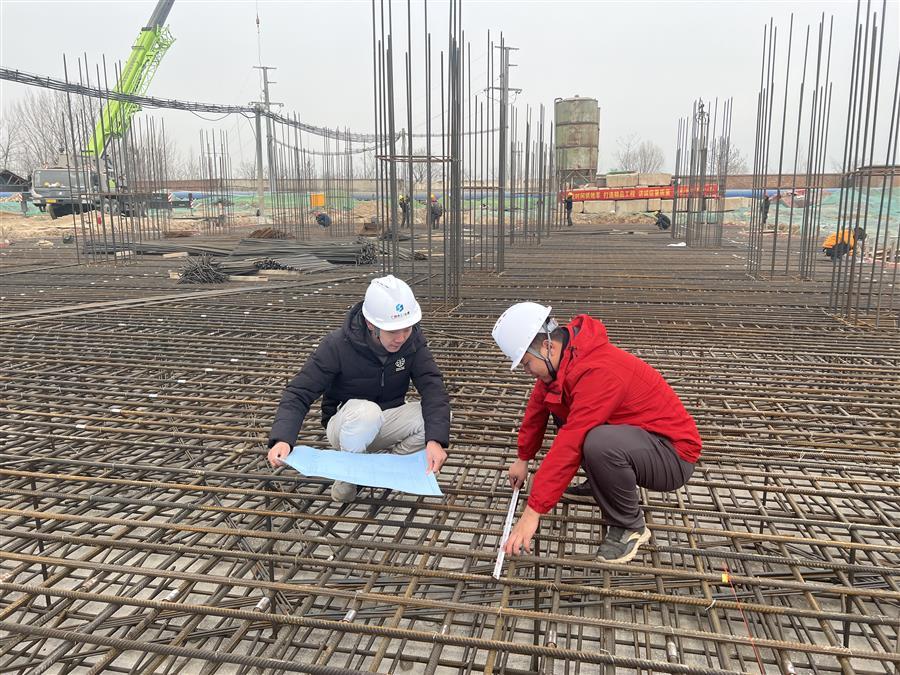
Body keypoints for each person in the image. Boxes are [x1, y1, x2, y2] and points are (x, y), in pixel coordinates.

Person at [492, 302, 702, 564]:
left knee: (596, 442)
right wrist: (523, 457)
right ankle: (601, 483)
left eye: (526, 363)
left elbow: (572, 441)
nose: (527, 371)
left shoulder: (598, 370)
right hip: (639, 440)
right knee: (564, 411)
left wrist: (533, 512)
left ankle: (630, 526)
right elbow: (538, 406)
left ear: (547, 346)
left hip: (672, 456)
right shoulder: (565, 359)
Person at [268, 275, 450, 502]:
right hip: (347, 425)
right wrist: (283, 439)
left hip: (386, 420)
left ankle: (386, 468)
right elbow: (298, 392)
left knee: (435, 421)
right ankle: (349, 476)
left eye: (407, 329)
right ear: (371, 324)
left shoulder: (412, 343)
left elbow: (433, 388)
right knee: (366, 413)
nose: (401, 338)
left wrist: (435, 441)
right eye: (393, 331)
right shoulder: (337, 345)